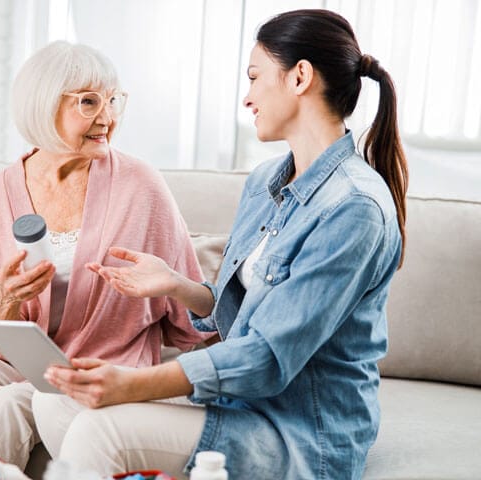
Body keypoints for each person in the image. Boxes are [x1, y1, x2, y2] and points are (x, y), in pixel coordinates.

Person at [35, 9, 409, 480]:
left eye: (255, 78)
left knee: (99, 431)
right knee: (53, 406)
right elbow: (247, 315)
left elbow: (269, 355)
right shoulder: (265, 182)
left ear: (300, 77)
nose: (248, 97)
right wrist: (179, 286)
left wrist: (133, 385)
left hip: (299, 433)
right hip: (240, 405)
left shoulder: (354, 209)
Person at [0, 41, 209, 472]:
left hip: (101, 367)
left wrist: (176, 290)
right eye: (89, 102)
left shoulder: (141, 186)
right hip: (18, 362)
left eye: (113, 100)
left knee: (8, 406)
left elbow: (192, 326)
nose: (107, 117)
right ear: (43, 105)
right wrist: (8, 301)